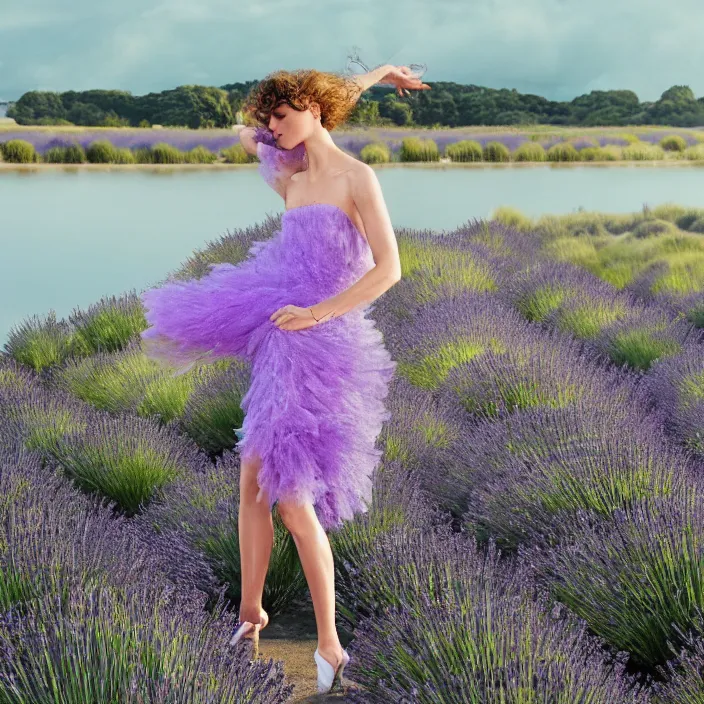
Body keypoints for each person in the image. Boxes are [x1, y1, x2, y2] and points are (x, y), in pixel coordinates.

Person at [139, 64, 430, 694]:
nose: (272, 127)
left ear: (317, 111)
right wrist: (376, 74)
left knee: (293, 499)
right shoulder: (288, 168)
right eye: (270, 117)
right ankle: (250, 618)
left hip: (320, 340)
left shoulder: (357, 177)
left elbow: (390, 270)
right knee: (250, 481)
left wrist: (316, 315)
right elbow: (257, 130)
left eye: (283, 114)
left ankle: (330, 645)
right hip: (277, 333)